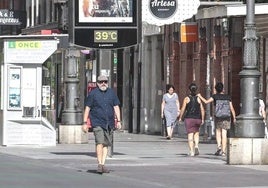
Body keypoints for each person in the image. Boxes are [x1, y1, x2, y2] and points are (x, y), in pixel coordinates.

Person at [82, 75, 122, 174]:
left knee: (106, 144)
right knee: (99, 142)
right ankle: (99, 163)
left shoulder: (111, 93)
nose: (103, 83)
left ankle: (103, 164)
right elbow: (87, 108)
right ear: (97, 83)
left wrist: (119, 121)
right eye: (101, 82)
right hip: (97, 122)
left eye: (105, 81)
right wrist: (84, 123)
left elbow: (116, 106)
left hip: (109, 122)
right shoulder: (93, 94)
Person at [197, 82, 236, 156]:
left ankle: (219, 148)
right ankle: (224, 151)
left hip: (218, 116)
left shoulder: (215, 96)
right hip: (226, 117)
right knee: (224, 133)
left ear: (216, 89)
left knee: (218, 132)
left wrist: (200, 96)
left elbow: (206, 101)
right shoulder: (228, 97)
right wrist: (234, 117)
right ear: (223, 89)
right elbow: (231, 108)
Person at [179, 83, 204, 156]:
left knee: (190, 135)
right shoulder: (199, 98)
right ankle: (196, 145)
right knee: (196, 133)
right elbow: (202, 109)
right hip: (198, 118)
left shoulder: (187, 98)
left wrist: (180, 117)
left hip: (189, 118)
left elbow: (183, 109)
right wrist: (202, 119)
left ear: (189, 90)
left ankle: (191, 151)